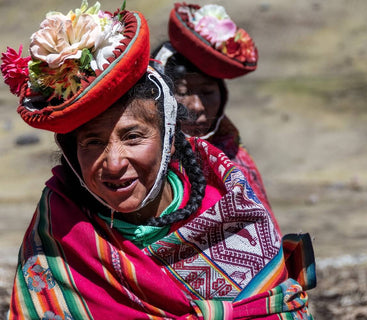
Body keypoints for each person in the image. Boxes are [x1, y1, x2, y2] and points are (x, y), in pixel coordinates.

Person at [1, 1, 316, 318]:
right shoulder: (60, 229)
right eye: (92, 142)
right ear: (71, 153)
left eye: (133, 137)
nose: (113, 163)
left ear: (169, 139)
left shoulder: (230, 211)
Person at [151, 3, 276, 227]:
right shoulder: (138, 163)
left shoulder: (235, 159)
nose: (197, 105)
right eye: (182, 93)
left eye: (208, 92)